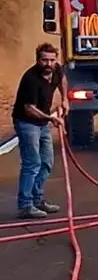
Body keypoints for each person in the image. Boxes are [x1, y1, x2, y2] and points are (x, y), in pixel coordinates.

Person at [11, 42, 68, 219]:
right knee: (32, 163)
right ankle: (25, 205)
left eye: (52, 60)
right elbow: (29, 109)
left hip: (42, 123)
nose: (48, 64)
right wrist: (51, 118)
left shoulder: (57, 70)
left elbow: (63, 79)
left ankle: (37, 200)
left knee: (46, 162)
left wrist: (65, 99)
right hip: (27, 123)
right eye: (44, 60)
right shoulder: (31, 79)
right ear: (38, 60)